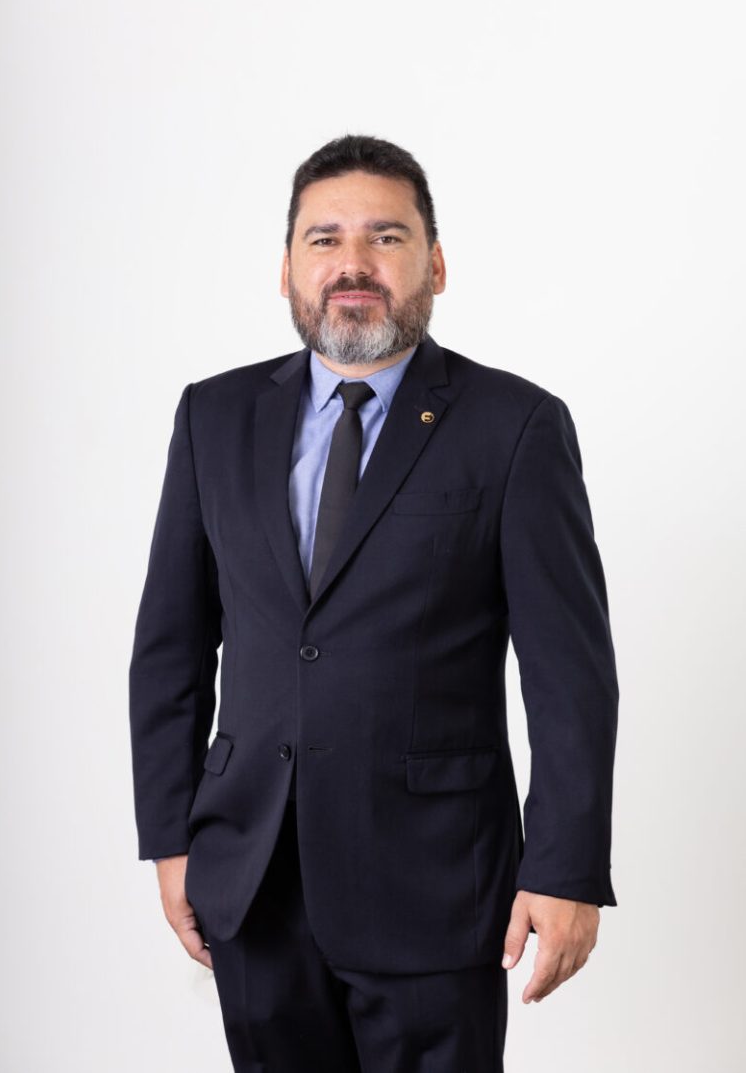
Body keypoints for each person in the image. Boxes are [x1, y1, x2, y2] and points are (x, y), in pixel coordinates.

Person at [129, 134, 619, 1072]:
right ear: (286, 270)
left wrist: (566, 868)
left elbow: (571, 676)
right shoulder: (212, 418)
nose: (352, 262)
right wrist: (170, 838)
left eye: (386, 237)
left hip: (436, 886)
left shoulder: (515, 426)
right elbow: (170, 649)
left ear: (436, 264)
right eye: (324, 239)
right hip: (252, 880)